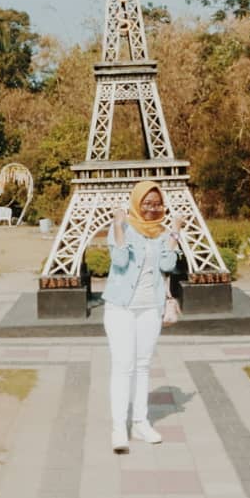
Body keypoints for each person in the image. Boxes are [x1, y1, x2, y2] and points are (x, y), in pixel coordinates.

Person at [102, 180, 183, 453]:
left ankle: (140, 421)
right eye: (146, 203)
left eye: (157, 204)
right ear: (137, 202)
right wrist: (117, 225)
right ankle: (118, 428)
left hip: (151, 307)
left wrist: (174, 232)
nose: (151, 209)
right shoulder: (122, 228)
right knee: (123, 366)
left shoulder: (161, 232)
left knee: (143, 365)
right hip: (121, 308)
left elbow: (167, 265)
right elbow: (121, 261)